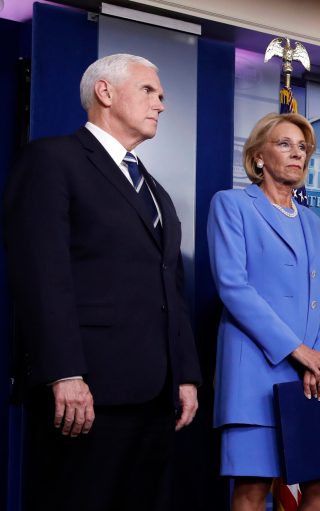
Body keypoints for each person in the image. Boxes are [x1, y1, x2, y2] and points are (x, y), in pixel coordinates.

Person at [3, 53, 201, 511]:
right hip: (84, 391)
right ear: (105, 92)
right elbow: (40, 276)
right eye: (149, 91)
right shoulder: (52, 160)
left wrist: (186, 375)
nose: (161, 104)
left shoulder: (156, 192)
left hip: (156, 396)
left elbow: (173, 289)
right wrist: (64, 372)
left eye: (163, 95)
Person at [207, 112, 320, 511]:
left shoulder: (313, 222)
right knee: (252, 490)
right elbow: (233, 287)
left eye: (302, 148)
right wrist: (298, 351)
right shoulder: (232, 205)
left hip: (312, 374)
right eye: (284, 144)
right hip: (257, 373)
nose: (296, 154)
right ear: (259, 156)